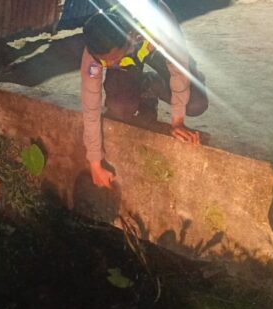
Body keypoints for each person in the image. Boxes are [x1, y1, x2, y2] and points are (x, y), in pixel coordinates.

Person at [80, 1, 208, 188]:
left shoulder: (157, 20)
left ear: (129, 36)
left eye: (113, 58)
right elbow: (90, 106)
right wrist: (94, 162)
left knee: (195, 104)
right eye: (104, 61)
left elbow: (178, 65)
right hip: (130, 57)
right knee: (120, 108)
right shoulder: (94, 53)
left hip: (156, 48)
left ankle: (155, 83)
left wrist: (177, 121)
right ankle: (146, 88)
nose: (109, 64)